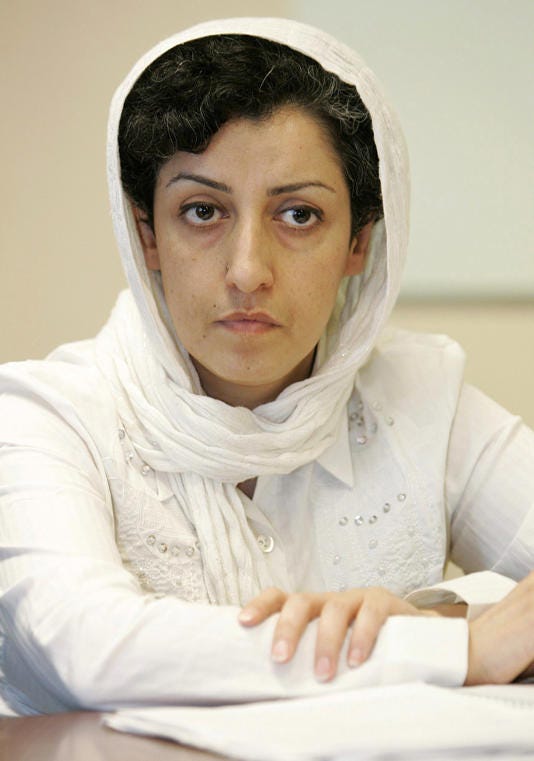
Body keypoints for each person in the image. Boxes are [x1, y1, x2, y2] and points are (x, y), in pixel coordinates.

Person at [0, 17, 533, 717]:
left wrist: (449, 613)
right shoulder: (45, 413)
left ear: (359, 242)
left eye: (300, 216)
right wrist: (444, 644)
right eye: (201, 210)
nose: (248, 270)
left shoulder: (420, 393)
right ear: (146, 234)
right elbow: (88, 645)